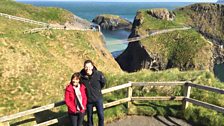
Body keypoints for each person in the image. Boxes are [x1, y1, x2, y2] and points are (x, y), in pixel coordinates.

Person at [80, 60, 106, 126]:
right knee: (89, 117)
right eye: (86, 67)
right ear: (84, 67)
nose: (87, 68)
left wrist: (97, 91)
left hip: (98, 99)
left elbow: (103, 83)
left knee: (101, 115)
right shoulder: (81, 77)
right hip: (88, 100)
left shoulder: (98, 74)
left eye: (89, 66)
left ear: (92, 66)